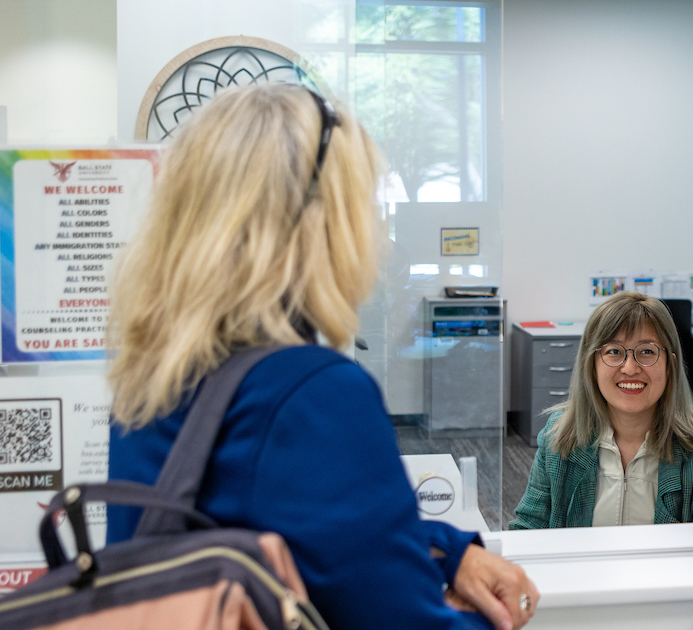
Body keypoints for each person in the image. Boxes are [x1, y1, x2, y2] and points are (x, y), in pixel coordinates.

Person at [105, 84, 538, 630]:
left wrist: (448, 549)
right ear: (319, 225)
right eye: (364, 205)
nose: (376, 231)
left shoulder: (154, 375)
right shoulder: (313, 393)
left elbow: (279, 523)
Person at [509, 291, 693, 529]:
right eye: (613, 351)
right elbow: (527, 533)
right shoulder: (559, 439)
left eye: (647, 352)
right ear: (591, 365)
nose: (630, 368)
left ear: (670, 365)